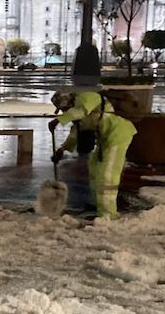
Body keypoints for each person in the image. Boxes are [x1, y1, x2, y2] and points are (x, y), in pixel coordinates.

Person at [50, 90, 137, 220]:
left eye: (64, 109)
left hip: (118, 134)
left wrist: (58, 120)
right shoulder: (79, 114)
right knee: (94, 168)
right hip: (105, 139)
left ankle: (108, 214)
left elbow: (81, 111)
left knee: (107, 175)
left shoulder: (87, 97)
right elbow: (76, 133)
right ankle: (96, 205)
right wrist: (62, 149)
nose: (64, 112)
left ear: (67, 102)